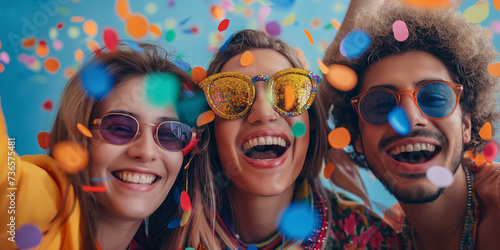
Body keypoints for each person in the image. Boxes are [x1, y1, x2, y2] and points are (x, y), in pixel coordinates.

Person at [168, 29, 401, 250]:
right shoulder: (161, 229)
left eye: (288, 93)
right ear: (211, 130)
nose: (263, 113)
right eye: (232, 96)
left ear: (312, 123)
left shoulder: (371, 240)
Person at [319, 3, 500, 249]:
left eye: (434, 97)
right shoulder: (384, 234)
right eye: (380, 104)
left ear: (466, 123)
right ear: (357, 137)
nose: (409, 119)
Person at [0, 43, 199, 249]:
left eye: (169, 133)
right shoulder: (43, 208)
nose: (146, 152)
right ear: (78, 139)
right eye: (120, 128)